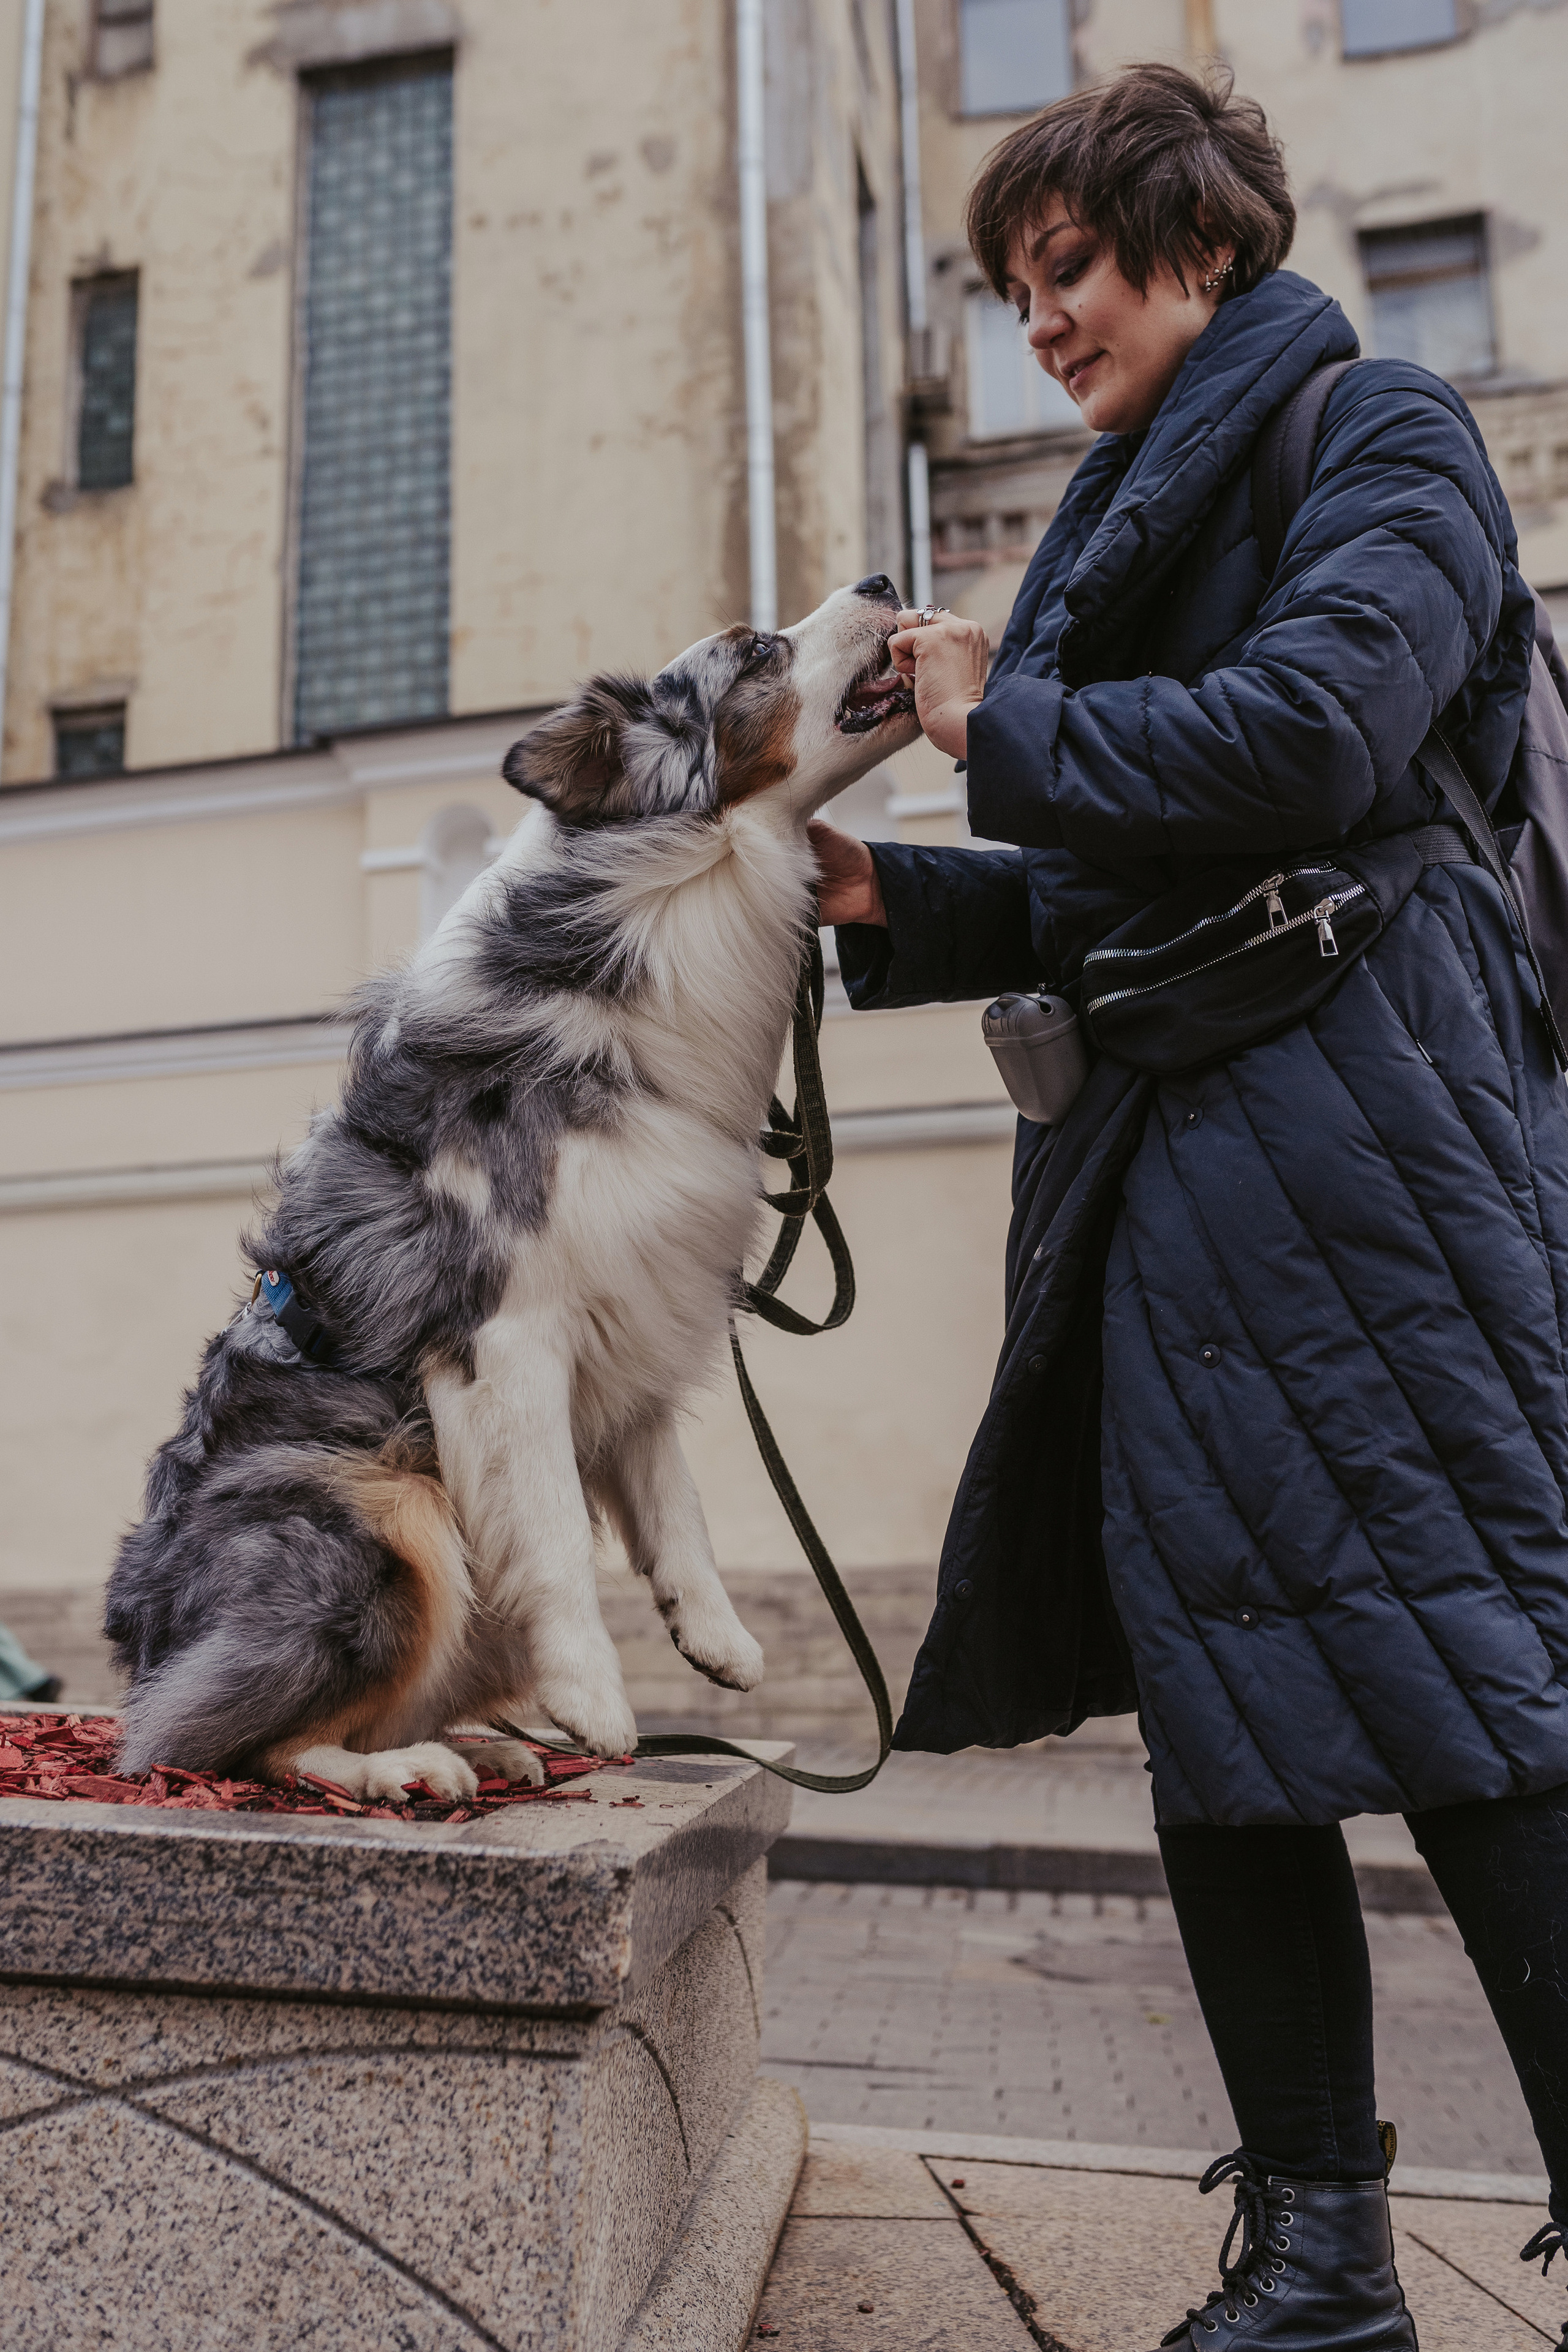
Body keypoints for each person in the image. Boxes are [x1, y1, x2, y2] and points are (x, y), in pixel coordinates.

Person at [811, 61, 1568, 2352]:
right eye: (1015, 289)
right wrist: (891, 896)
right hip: (1166, 1181)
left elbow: (1312, 745)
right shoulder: (1125, 516)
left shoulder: (1388, 435)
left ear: (1201, 247)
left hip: (1369, 1162)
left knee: (1476, 1703)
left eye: (1071, 269)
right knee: (1226, 1725)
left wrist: (983, 721)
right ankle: (1325, 2255)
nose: (1038, 322)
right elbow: (1105, 872)